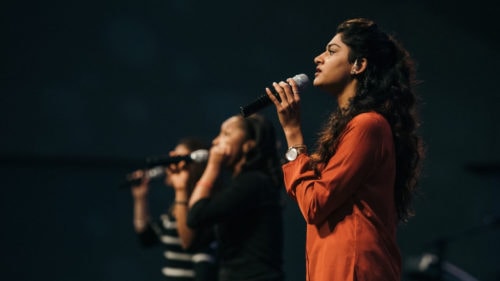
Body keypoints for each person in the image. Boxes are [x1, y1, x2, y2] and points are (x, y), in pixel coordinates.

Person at [265, 18, 425, 281]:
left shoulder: (368, 125)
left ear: (359, 65)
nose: (318, 58)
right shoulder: (355, 128)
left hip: (353, 269)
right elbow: (311, 196)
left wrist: (293, 136)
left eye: (331, 51)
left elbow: (314, 204)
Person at [187, 113, 285, 281]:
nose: (215, 141)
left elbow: (196, 215)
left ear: (248, 145)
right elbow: (196, 236)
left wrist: (212, 167)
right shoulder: (243, 183)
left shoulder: (252, 183)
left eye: (226, 134)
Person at [130, 137, 218, 281]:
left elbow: (203, 260)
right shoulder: (174, 210)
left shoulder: (202, 209)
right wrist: (140, 198)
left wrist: (181, 188)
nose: (169, 165)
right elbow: (146, 237)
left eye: (178, 159)